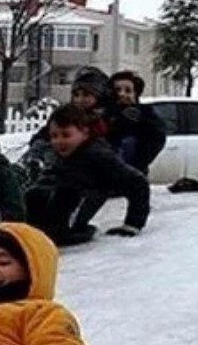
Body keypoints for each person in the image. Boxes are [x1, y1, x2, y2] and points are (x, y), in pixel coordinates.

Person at [25, 103, 150, 246]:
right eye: (54, 136)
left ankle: (62, 232)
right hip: (69, 196)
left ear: (85, 133)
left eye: (66, 135)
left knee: (66, 194)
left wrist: (133, 224)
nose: (59, 141)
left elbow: (138, 182)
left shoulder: (98, 154)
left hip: (83, 199)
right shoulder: (66, 153)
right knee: (35, 194)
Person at [107, 70, 167, 174]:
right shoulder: (105, 114)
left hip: (133, 174)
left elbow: (157, 138)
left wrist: (138, 164)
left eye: (128, 90)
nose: (122, 94)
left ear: (135, 93)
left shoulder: (145, 114)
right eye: (117, 90)